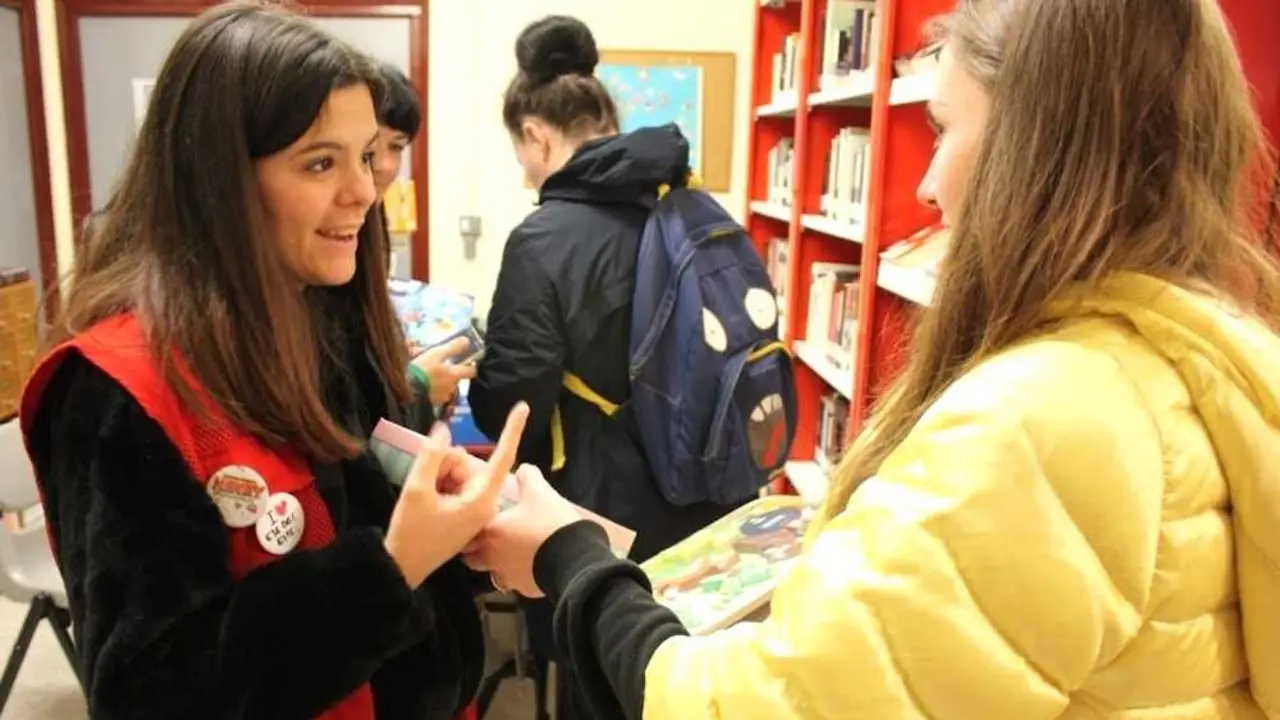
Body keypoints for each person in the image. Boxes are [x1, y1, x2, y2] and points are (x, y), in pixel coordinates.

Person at [464, 0, 1280, 718]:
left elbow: (745, 709)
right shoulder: (1212, 358)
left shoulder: (1038, 418)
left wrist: (568, 551)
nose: (925, 187)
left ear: (1040, 148)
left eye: (944, 128)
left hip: (603, 508)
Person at [18, 3, 528, 719]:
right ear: (216, 179)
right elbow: (150, 695)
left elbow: (355, 503)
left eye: (367, 155)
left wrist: (452, 519)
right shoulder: (116, 391)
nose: (362, 190)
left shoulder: (321, 313)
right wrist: (387, 572)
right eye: (320, 162)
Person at [467, 14, 752, 718]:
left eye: (522, 155)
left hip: (604, 513)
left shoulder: (542, 236)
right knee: (682, 683)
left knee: (602, 680)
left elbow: (515, 402)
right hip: (715, 495)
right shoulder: (692, 206)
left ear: (537, 135)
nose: (527, 172)